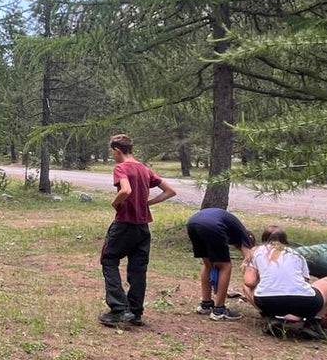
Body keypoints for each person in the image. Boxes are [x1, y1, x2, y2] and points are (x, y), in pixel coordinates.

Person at [99, 134, 176, 328]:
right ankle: (135, 312)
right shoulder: (144, 169)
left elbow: (125, 190)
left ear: (117, 150)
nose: (113, 156)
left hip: (124, 224)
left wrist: (115, 203)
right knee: (138, 269)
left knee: (109, 259)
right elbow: (170, 191)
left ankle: (118, 309)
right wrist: (147, 203)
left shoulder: (121, 168)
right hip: (143, 228)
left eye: (112, 152)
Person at [243, 226, 327, 335]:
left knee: (246, 287)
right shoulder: (296, 254)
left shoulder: (257, 252)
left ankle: (270, 317)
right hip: (305, 302)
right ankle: (313, 322)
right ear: (285, 241)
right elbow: (305, 281)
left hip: (268, 302)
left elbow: (249, 282)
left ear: (263, 240)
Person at [185, 208, 256, 320]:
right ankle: (219, 310)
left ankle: (206, 304)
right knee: (226, 266)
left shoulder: (233, 229)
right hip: (212, 225)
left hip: (193, 223)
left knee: (208, 265)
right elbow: (249, 257)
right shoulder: (245, 236)